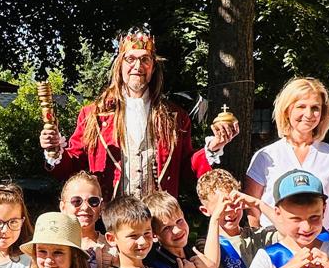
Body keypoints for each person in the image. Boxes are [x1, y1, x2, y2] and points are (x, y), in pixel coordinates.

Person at [39, 30, 237, 198]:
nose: (137, 66)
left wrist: (212, 147)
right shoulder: (93, 115)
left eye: (145, 59)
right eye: (130, 59)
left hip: (159, 222)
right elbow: (73, 167)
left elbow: (186, 170)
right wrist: (54, 151)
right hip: (110, 220)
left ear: (153, 67)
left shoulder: (176, 117)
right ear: (120, 65)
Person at [244, 77, 329, 228]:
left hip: (317, 238)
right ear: (287, 110)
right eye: (301, 106)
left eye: (315, 108)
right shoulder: (266, 156)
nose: (308, 114)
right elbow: (252, 206)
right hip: (274, 240)